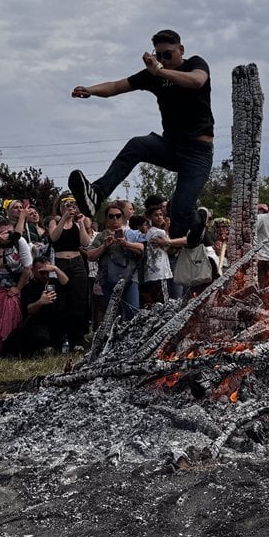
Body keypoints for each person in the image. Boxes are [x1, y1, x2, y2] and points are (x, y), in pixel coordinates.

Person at [68, 29, 212, 253]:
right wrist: (90, 90)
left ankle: (198, 221)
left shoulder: (194, 63)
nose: (164, 60)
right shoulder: (153, 75)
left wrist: (160, 71)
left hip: (198, 153)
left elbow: (196, 81)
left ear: (181, 50)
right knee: (138, 144)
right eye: (160, 56)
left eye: (168, 55)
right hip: (171, 147)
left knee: (180, 213)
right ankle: (97, 194)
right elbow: (117, 86)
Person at [48, 196, 93, 346]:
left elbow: (85, 243)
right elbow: (54, 237)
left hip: (77, 262)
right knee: (62, 301)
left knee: (79, 300)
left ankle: (78, 338)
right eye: (68, 206)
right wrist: (63, 220)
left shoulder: (78, 223)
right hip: (61, 263)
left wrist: (80, 223)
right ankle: (60, 338)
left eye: (73, 206)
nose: (71, 209)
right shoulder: (54, 221)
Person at [0, 220, 33, 356]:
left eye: (9, 232)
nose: (6, 235)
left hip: (16, 280)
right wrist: (0, 245)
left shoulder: (20, 241)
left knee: (13, 305)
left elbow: (28, 268)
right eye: (1, 232)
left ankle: (10, 345)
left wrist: (18, 288)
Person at [87, 203, 143, 320]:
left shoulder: (130, 233)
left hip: (130, 278)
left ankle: (130, 337)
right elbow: (90, 256)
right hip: (108, 280)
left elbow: (141, 248)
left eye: (118, 216)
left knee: (133, 311)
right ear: (106, 219)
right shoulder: (101, 236)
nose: (115, 219)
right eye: (111, 216)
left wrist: (125, 243)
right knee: (112, 315)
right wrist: (104, 246)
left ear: (123, 218)